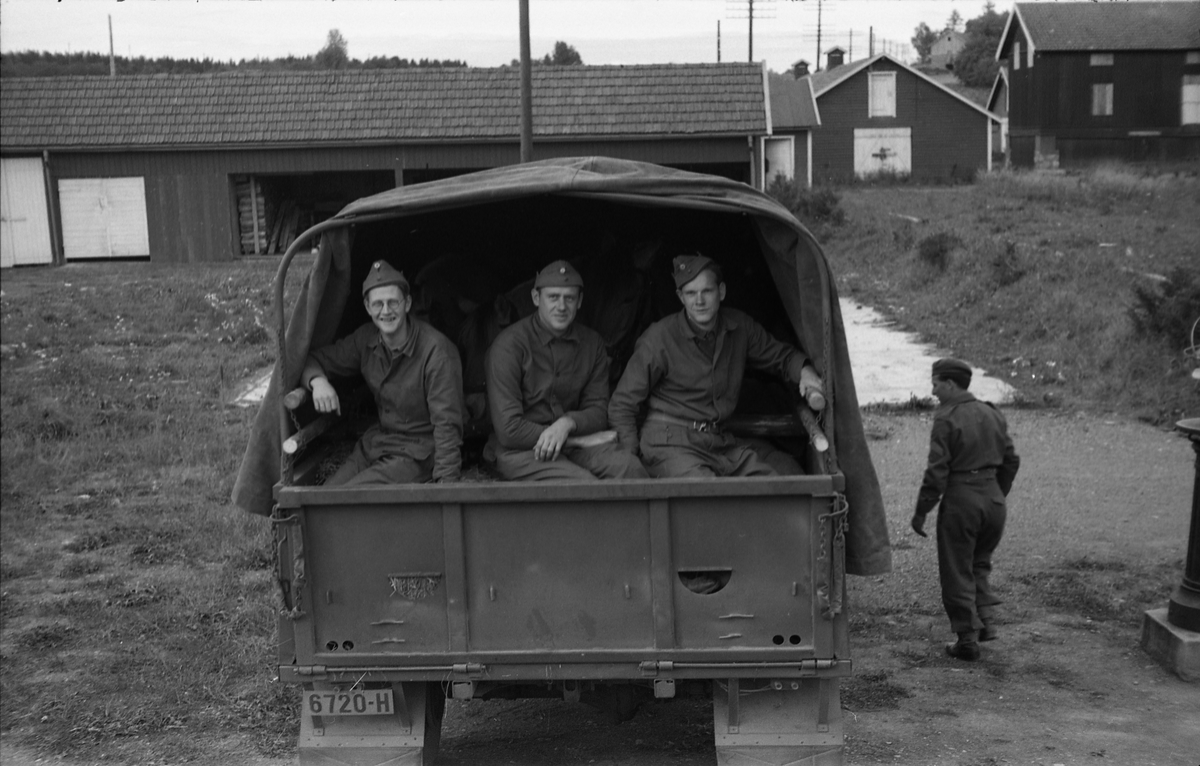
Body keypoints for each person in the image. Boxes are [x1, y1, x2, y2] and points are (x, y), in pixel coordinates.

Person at [608, 253, 826, 478]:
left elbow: (782, 357)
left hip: (719, 441)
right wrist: (631, 461)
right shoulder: (659, 338)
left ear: (721, 291)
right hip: (669, 444)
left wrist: (805, 371)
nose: (699, 301)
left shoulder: (739, 326)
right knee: (707, 492)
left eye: (707, 291)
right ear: (680, 297)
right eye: (690, 293)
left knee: (774, 483)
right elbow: (622, 404)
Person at [302, 260, 464, 485]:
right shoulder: (365, 339)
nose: (386, 311)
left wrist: (446, 487)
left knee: (350, 498)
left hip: (418, 452)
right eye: (378, 304)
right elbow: (312, 359)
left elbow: (447, 425)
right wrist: (318, 382)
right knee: (327, 495)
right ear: (368, 307)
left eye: (393, 302)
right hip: (378, 443)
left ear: (407, 304)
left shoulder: (436, 352)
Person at [485, 260, 648, 481]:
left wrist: (567, 423)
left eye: (569, 298)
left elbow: (598, 410)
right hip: (522, 451)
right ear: (536, 298)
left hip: (576, 444)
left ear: (579, 301)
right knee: (580, 486)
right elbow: (509, 430)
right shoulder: (509, 346)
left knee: (630, 468)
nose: (561, 307)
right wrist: (576, 440)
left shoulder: (592, 343)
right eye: (553, 297)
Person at [911, 358, 1020, 661]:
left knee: (957, 569)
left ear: (949, 384)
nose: (932, 391)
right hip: (994, 501)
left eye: (935, 384)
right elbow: (1012, 460)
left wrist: (921, 512)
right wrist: (996, 493)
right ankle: (986, 620)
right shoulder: (992, 412)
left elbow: (936, 472)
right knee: (979, 563)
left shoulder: (946, 418)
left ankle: (967, 639)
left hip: (962, 502)